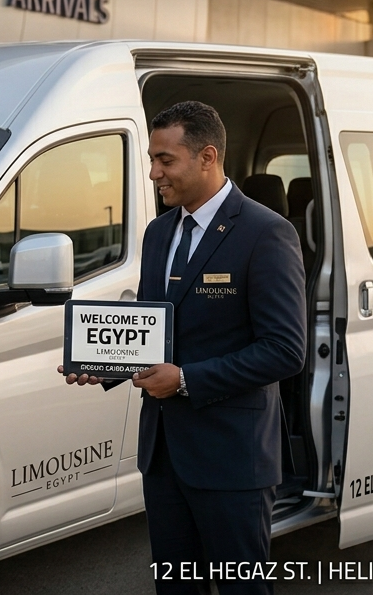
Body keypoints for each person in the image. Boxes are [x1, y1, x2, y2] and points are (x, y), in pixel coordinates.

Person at [62, 101, 305, 595]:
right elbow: (155, 333)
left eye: (165, 160)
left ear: (207, 157)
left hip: (232, 460)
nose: (154, 173)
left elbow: (285, 349)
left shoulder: (266, 233)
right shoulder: (159, 233)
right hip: (164, 457)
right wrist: (105, 365)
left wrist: (187, 379)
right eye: (153, 159)